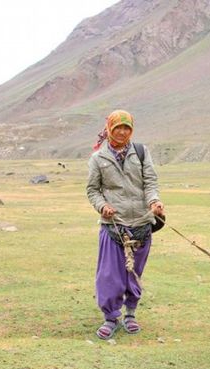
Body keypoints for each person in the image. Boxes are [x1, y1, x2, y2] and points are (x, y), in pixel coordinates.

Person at [86, 109, 165, 340]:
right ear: (109, 129)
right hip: (114, 225)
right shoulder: (98, 159)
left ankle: (130, 314)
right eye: (118, 127)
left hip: (141, 223)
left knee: (134, 273)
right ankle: (111, 318)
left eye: (126, 128)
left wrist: (154, 201)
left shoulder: (140, 152)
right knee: (110, 275)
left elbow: (150, 181)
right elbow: (93, 190)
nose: (122, 132)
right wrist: (102, 206)